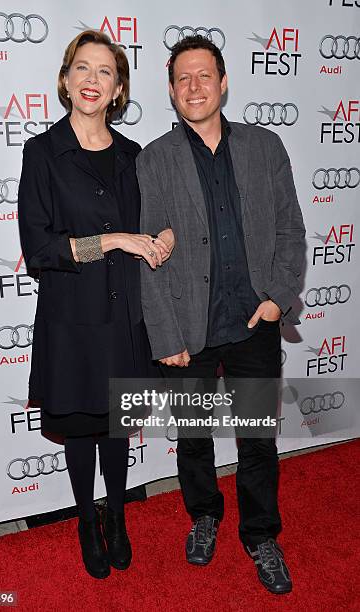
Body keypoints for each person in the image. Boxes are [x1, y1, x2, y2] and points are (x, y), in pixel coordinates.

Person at [137, 35, 305, 595]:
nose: (194, 87)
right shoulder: (154, 159)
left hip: (253, 322)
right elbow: (149, 254)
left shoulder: (265, 147)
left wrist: (279, 297)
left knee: (257, 439)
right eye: (182, 78)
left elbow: (290, 230)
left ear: (224, 81)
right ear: (170, 90)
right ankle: (204, 514)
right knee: (193, 435)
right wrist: (165, 334)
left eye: (204, 75)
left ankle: (261, 536)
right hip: (188, 330)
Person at [18, 30, 174, 580]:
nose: (91, 79)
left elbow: (157, 224)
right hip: (72, 320)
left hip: (124, 318)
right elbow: (39, 250)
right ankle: (87, 519)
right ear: (65, 80)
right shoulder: (42, 153)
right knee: (82, 426)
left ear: (119, 88)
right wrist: (112, 240)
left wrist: (163, 238)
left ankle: (118, 516)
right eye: (82, 68)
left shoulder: (136, 156)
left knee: (115, 426)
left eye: (104, 71)